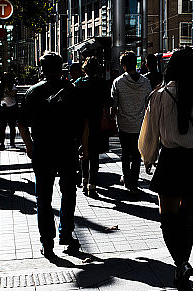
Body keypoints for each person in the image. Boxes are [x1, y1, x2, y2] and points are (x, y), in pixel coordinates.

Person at [139, 47, 193, 291]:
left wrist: (149, 158)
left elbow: (150, 133)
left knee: (168, 218)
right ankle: (184, 261)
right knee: (187, 217)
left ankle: (180, 263)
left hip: (171, 161)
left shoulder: (160, 95)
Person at [18, 51, 83, 256]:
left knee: (43, 197)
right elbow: (81, 121)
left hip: (43, 149)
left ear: (43, 69)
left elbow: (21, 123)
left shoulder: (33, 92)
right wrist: (81, 144)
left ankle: (47, 241)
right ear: (61, 67)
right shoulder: (71, 90)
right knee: (69, 192)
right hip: (67, 148)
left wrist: (29, 146)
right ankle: (66, 233)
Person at [111, 50, 152, 195]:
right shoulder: (146, 83)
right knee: (136, 154)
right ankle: (134, 180)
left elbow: (114, 106)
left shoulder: (118, 82)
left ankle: (127, 179)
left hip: (124, 124)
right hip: (140, 124)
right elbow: (149, 104)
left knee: (125, 153)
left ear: (123, 65)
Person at [73, 56, 111, 198]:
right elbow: (108, 101)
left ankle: (84, 180)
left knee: (83, 151)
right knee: (94, 154)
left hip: (81, 122)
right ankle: (92, 185)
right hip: (96, 122)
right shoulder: (101, 84)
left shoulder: (78, 83)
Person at [0, 71, 18, 148]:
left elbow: (13, 94)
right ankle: (2, 142)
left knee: (12, 126)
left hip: (12, 107)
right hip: (3, 108)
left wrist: (7, 91)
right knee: (2, 127)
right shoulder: (0, 87)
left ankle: (12, 142)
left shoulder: (13, 86)